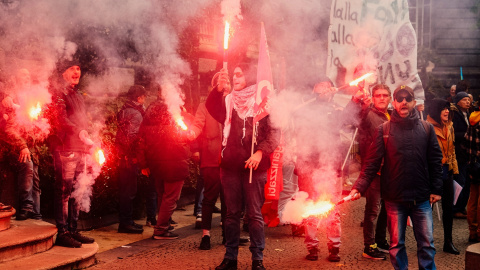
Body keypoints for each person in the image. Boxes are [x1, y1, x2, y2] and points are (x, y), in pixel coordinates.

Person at [349, 85, 443, 270]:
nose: (403, 102)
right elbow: (371, 163)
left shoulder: (427, 129)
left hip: (421, 198)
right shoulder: (384, 130)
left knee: (427, 245)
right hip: (395, 199)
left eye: (407, 98)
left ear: (414, 102)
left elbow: (435, 161)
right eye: (399, 99)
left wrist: (436, 189)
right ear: (394, 103)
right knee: (396, 246)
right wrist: (358, 187)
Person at [206, 63, 278, 270]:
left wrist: (259, 152)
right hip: (230, 167)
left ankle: (257, 259)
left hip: (255, 168)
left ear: (248, 76)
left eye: (239, 74)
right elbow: (211, 107)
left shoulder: (263, 104)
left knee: (254, 214)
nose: (234, 78)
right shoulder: (228, 101)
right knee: (231, 215)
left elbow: (275, 133)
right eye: (233, 75)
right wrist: (217, 89)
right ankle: (230, 258)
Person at [292, 80, 343, 263]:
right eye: (320, 86)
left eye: (327, 86)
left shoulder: (336, 110)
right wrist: (315, 99)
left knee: (332, 209)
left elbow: (352, 119)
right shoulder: (305, 107)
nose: (324, 89)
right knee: (310, 208)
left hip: (330, 167)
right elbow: (294, 113)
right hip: (309, 167)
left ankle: (334, 246)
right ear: (314, 90)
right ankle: (312, 246)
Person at [48, 60, 95, 248]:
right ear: (62, 74)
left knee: (79, 189)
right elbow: (60, 119)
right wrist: (79, 132)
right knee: (64, 191)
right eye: (72, 68)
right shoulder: (59, 94)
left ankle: (73, 230)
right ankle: (63, 232)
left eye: (78, 67)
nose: (77, 71)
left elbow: (81, 121)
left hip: (80, 148)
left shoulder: (77, 95)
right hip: (65, 149)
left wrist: (87, 134)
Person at [137, 85, 192, 240]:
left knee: (162, 195)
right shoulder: (173, 111)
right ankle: (161, 229)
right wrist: (186, 117)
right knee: (171, 197)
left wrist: (144, 163)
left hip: (156, 160)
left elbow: (141, 138)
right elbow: (184, 134)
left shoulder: (151, 109)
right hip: (173, 159)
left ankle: (163, 226)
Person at [348, 84, 392, 260]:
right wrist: (355, 100)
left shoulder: (392, 115)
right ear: (373, 98)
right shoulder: (367, 113)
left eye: (385, 95)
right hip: (373, 168)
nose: (382, 98)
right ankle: (369, 246)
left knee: (386, 209)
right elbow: (350, 117)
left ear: (390, 98)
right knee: (372, 209)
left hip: (390, 169)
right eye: (378, 95)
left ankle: (381, 240)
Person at [189, 80, 228, 250]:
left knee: (229, 200)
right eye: (221, 84)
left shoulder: (234, 104)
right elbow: (197, 125)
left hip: (229, 160)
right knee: (209, 199)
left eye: (227, 84)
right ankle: (206, 235)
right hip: (211, 159)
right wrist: (191, 134)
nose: (225, 87)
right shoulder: (204, 106)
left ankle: (228, 234)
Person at [1, 68, 42, 221]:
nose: (27, 77)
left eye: (28, 74)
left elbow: (37, 127)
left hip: (31, 148)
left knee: (36, 183)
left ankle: (37, 216)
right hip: (15, 148)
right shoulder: (11, 99)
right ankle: (26, 207)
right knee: (27, 165)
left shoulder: (30, 99)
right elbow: (10, 128)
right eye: (22, 74)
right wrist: (22, 146)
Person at [426, 98, 460, 254]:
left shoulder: (450, 126)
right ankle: (426, 242)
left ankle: (448, 241)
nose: (447, 111)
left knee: (448, 208)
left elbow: (451, 150)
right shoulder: (426, 128)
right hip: (432, 173)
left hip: (448, 172)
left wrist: (453, 169)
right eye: (443, 109)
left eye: (448, 108)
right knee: (427, 210)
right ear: (435, 110)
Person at [115, 85, 147, 234]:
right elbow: (133, 138)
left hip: (121, 157)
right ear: (139, 98)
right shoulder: (136, 114)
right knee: (129, 191)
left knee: (124, 190)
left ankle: (126, 221)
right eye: (144, 97)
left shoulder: (123, 110)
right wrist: (135, 157)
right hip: (129, 159)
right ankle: (126, 223)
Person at [452, 91, 471, 218]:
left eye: (468, 100)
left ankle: (462, 207)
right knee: (460, 180)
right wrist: (466, 135)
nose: (468, 102)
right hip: (459, 152)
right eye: (465, 100)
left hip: (468, 152)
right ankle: (456, 208)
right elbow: (452, 132)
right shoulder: (454, 114)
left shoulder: (469, 114)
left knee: (467, 181)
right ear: (458, 102)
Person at [466, 106, 480, 242]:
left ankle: (473, 231)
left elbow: (465, 142)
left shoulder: (473, 118)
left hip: (473, 165)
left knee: (473, 198)